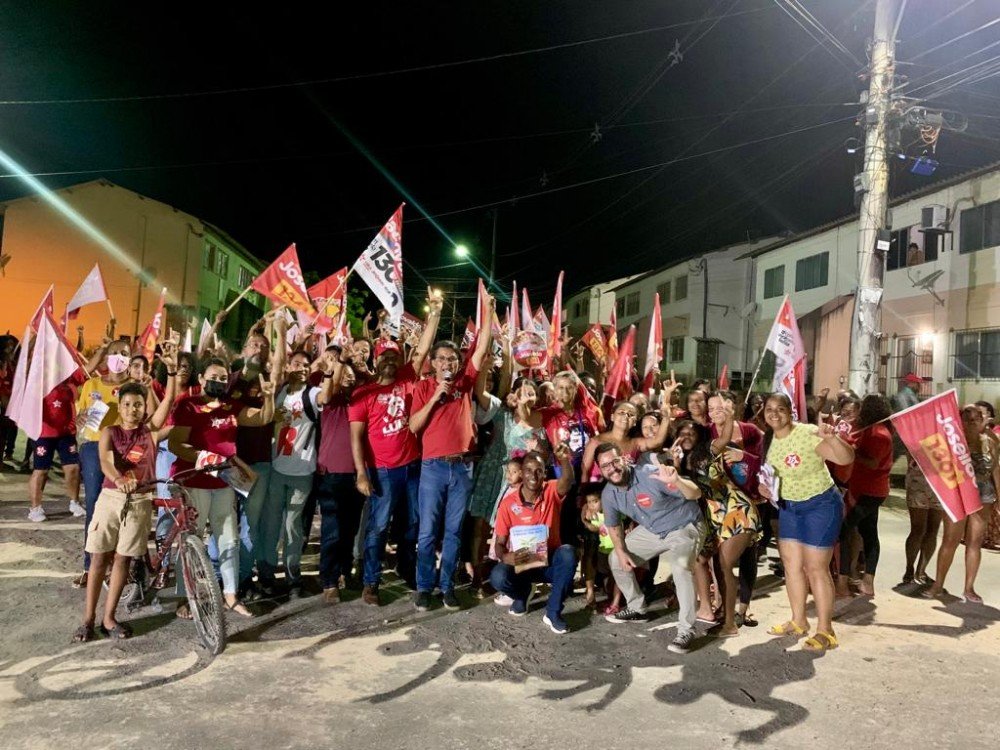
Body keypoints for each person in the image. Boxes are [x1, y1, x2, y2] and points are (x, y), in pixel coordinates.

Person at [73, 348, 179, 642]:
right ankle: (88, 619)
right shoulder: (109, 431)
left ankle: (109, 619)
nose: (133, 409)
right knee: (98, 559)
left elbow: (169, 401)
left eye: (139, 404)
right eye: (128, 403)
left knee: (122, 560)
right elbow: (106, 461)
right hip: (111, 500)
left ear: (145, 407)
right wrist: (119, 479)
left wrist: (170, 373)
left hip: (140, 503)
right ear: (119, 406)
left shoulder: (150, 433)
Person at [350, 292, 441, 605]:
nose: (390, 361)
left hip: (413, 466)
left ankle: (406, 567)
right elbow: (356, 437)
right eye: (385, 357)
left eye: (394, 357)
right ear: (377, 361)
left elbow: (425, 347)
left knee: (413, 522)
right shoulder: (363, 393)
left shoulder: (407, 376)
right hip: (383, 470)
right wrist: (361, 473)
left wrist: (436, 314)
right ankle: (371, 581)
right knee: (378, 526)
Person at [168, 358, 275, 618]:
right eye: (213, 376)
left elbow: (261, 418)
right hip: (194, 481)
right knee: (192, 540)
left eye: (223, 377)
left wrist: (270, 397)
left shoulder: (230, 406)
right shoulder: (187, 404)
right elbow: (176, 443)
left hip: (224, 482)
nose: (219, 381)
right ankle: (186, 597)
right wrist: (207, 459)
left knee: (229, 537)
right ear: (201, 379)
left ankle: (230, 595)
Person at [410, 312, 493, 611]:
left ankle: (447, 587)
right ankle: (423, 587)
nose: (448, 363)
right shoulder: (422, 388)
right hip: (433, 467)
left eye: (453, 359)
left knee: (454, 531)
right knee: (428, 531)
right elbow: (414, 426)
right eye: (442, 359)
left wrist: (490, 310)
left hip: (462, 468)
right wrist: (435, 397)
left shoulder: (465, 382)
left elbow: (481, 349)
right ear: (433, 362)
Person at [759, 393, 854, 652]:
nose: (774, 414)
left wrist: (832, 438)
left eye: (780, 409)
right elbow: (769, 475)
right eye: (769, 409)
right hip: (790, 507)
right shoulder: (767, 439)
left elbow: (846, 458)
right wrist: (764, 488)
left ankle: (826, 630)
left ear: (791, 412)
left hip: (820, 506)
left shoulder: (808, 433)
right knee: (791, 566)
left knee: (816, 569)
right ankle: (798, 621)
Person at [597, 442, 705, 654]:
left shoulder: (650, 475)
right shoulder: (609, 493)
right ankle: (637, 608)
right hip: (653, 530)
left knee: (681, 566)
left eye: (615, 461)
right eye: (605, 465)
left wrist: (677, 480)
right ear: (601, 470)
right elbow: (613, 524)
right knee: (615, 559)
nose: (612, 468)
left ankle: (686, 629)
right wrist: (620, 551)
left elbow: (696, 493)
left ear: (625, 459)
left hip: (684, 525)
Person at [489, 446, 577, 634]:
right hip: (522, 561)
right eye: (528, 470)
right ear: (521, 472)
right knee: (498, 576)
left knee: (568, 553)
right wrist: (506, 557)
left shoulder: (550, 490)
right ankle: (522, 594)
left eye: (539, 471)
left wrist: (564, 460)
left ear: (545, 473)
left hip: (549, 560)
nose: (533, 475)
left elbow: (567, 480)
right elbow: (499, 543)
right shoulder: (508, 504)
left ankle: (553, 613)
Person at [72, 337, 133, 588]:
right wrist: (81, 419)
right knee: (95, 505)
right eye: (114, 352)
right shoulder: (91, 385)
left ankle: (118, 565)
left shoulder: (135, 387)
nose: (119, 357)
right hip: (93, 448)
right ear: (106, 356)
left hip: (124, 449)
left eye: (125, 353)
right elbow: (79, 422)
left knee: (123, 505)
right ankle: (90, 566)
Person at [263, 349, 322, 598]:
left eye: (307, 364)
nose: (303, 367)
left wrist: (330, 370)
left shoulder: (313, 393)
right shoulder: (280, 393)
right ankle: (266, 574)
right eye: (297, 363)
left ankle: (292, 576)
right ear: (288, 366)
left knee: (292, 526)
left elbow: (325, 396)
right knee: (272, 524)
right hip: (277, 468)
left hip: (302, 472)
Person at [706, 390, 764, 636]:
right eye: (711, 408)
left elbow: (765, 463)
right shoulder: (707, 434)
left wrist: (744, 456)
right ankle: (722, 607)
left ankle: (741, 609)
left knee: (743, 559)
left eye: (721, 406)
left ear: (732, 404)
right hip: (717, 508)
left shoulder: (751, 431)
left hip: (746, 503)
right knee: (719, 561)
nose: (715, 411)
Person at [924, 405, 995, 603]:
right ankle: (938, 585)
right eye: (968, 419)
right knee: (950, 540)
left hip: (984, 496)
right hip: (959, 496)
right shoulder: (954, 442)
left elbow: (995, 471)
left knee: (975, 542)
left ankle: (969, 588)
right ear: (960, 421)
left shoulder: (990, 441)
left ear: (982, 420)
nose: (972, 422)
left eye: (976, 418)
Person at [313, 347, 362, 603]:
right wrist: (341, 361)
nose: (349, 378)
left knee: (350, 530)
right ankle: (329, 581)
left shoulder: (360, 400)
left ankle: (344, 571)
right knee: (332, 530)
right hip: (331, 474)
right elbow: (325, 392)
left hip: (357, 475)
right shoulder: (329, 399)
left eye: (351, 375)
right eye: (345, 374)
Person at [837, 394, 893, 598]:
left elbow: (873, 462)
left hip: (869, 491)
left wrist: (850, 450)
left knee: (842, 531)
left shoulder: (879, 433)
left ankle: (844, 580)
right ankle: (866, 580)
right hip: (865, 489)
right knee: (868, 532)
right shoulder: (871, 429)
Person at [28, 367, 88, 522]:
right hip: (43, 433)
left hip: (66, 433)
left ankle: (74, 503)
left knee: (73, 468)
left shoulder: (70, 378)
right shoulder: (38, 378)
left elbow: (89, 369)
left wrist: (103, 351)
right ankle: (35, 509)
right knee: (41, 470)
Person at [580, 483, 621, 613]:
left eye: (595, 501)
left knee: (616, 575)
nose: (592, 505)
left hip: (615, 549)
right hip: (603, 550)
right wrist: (585, 522)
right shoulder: (596, 516)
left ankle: (615, 600)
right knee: (605, 573)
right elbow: (594, 528)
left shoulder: (614, 511)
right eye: (589, 502)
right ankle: (608, 596)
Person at [903, 455, 942, 585]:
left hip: (942, 480)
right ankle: (910, 568)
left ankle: (921, 570)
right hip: (919, 476)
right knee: (918, 529)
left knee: (933, 528)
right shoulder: (917, 433)